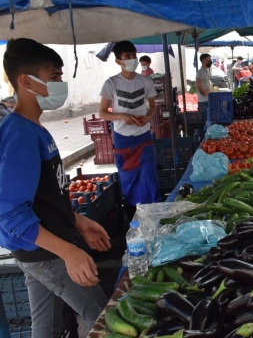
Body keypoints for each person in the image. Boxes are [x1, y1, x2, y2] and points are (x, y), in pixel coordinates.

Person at [0, 38, 110, 337]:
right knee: (107, 321)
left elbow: (46, 196)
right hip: (47, 252)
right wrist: (68, 253)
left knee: (45, 327)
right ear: (26, 81)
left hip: (40, 250)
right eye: (55, 77)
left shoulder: (33, 128)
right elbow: (10, 213)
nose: (62, 85)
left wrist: (78, 220)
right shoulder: (20, 135)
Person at [99, 41, 160, 218]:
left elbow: (152, 107)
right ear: (119, 61)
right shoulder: (111, 83)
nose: (132, 59)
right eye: (128, 57)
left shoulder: (145, 81)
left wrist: (147, 117)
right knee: (129, 178)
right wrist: (121, 116)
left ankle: (153, 212)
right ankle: (132, 214)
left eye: (134, 55)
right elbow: (103, 113)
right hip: (122, 138)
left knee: (149, 176)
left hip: (143, 136)